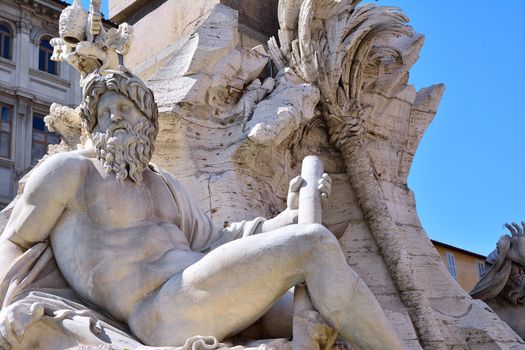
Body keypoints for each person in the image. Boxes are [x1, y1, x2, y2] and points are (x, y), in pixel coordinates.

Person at [0, 69, 404, 349]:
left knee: (336, 317)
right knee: (312, 245)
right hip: (158, 312)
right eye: (103, 113)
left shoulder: (166, 185)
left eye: (123, 108)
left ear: (148, 120)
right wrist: (10, 307)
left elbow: (220, 241)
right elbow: (13, 240)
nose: (112, 119)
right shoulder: (70, 172)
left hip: (199, 289)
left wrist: (290, 213)